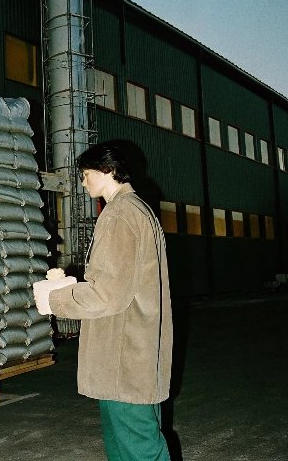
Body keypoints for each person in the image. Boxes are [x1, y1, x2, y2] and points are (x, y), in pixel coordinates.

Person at [33, 141, 173, 461]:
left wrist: (56, 299)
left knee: (138, 447)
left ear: (107, 170)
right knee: (127, 444)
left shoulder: (120, 214)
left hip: (123, 355)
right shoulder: (136, 209)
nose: (82, 182)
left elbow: (108, 294)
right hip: (133, 349)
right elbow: (121, 282)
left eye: (85, 174)